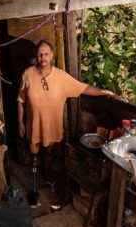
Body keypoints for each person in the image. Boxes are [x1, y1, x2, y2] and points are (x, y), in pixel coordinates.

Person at [17, 39, 119, 207]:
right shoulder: (27, 74)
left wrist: (106, 92)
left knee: (48, 151)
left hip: (51, 126)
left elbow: (84, 88)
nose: (43, 57)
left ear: (52, 56)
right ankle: (37, 179)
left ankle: (48, 176)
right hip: (33, 124)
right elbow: (20, 100)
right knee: (34, 151)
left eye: (46, 53)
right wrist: (20, 122)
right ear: (36, 56)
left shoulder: (61, 77)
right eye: (40, 53)